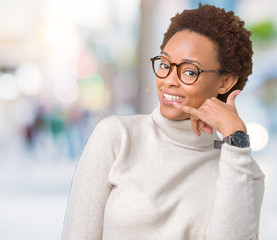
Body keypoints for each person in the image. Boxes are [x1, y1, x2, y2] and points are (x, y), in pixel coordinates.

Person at [62, 4, 265, 240]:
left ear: (225, 82)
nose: (168, 81)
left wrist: (236, 137)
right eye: (165, 65)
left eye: (190, 72)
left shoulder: (243, 171)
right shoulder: (117, 136)